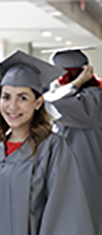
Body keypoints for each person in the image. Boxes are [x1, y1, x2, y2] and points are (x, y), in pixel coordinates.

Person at [0, 50, 95, 235]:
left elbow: (65, 214)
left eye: (23, 98)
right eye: (6, 97)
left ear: (38, 102)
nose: (12, 106)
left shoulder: (53, 149)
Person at [43, 47, 102, 234]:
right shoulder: (64, 94)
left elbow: (54, 103)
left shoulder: (94, 98)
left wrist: (77, 83)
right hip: (64, 166)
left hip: (87, 170)